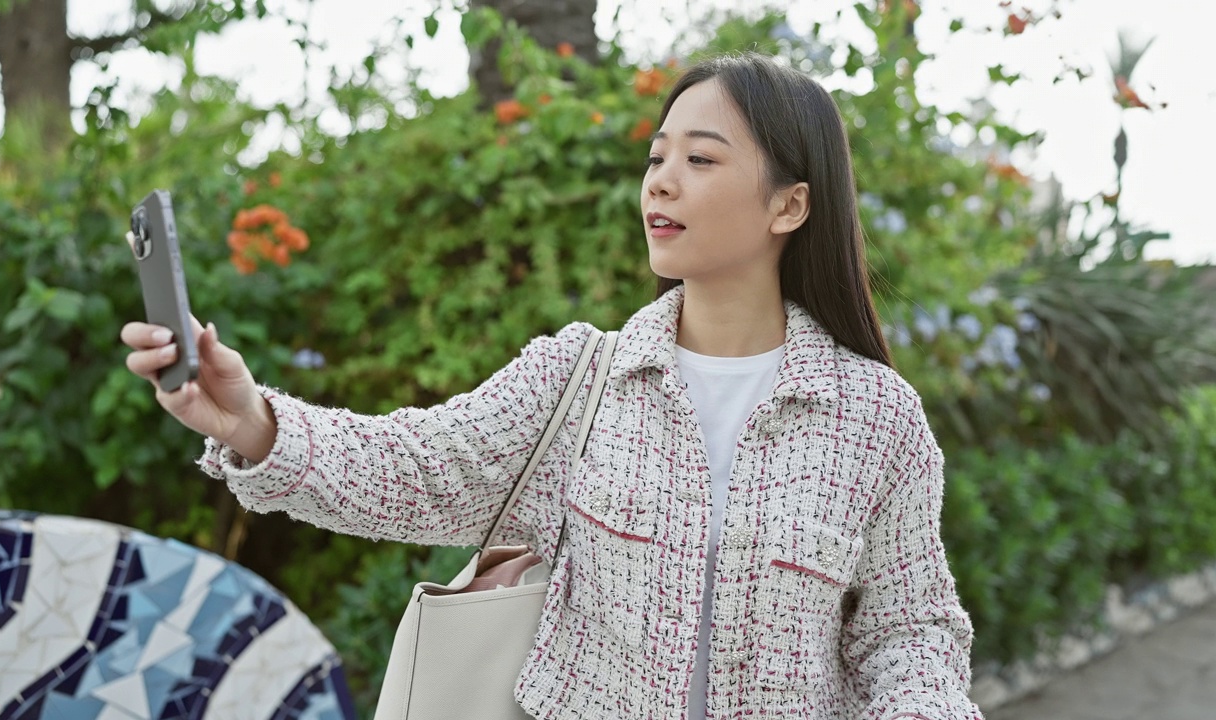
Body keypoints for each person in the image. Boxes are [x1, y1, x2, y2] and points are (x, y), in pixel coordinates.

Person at [122, 52, 982, 720]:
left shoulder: (874, 416)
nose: (661, 180)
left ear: (789, 207)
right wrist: (253, 421)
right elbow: (415, 470)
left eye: (702, 159)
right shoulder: (584, 378)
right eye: (657, 157)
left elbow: (909, 631)